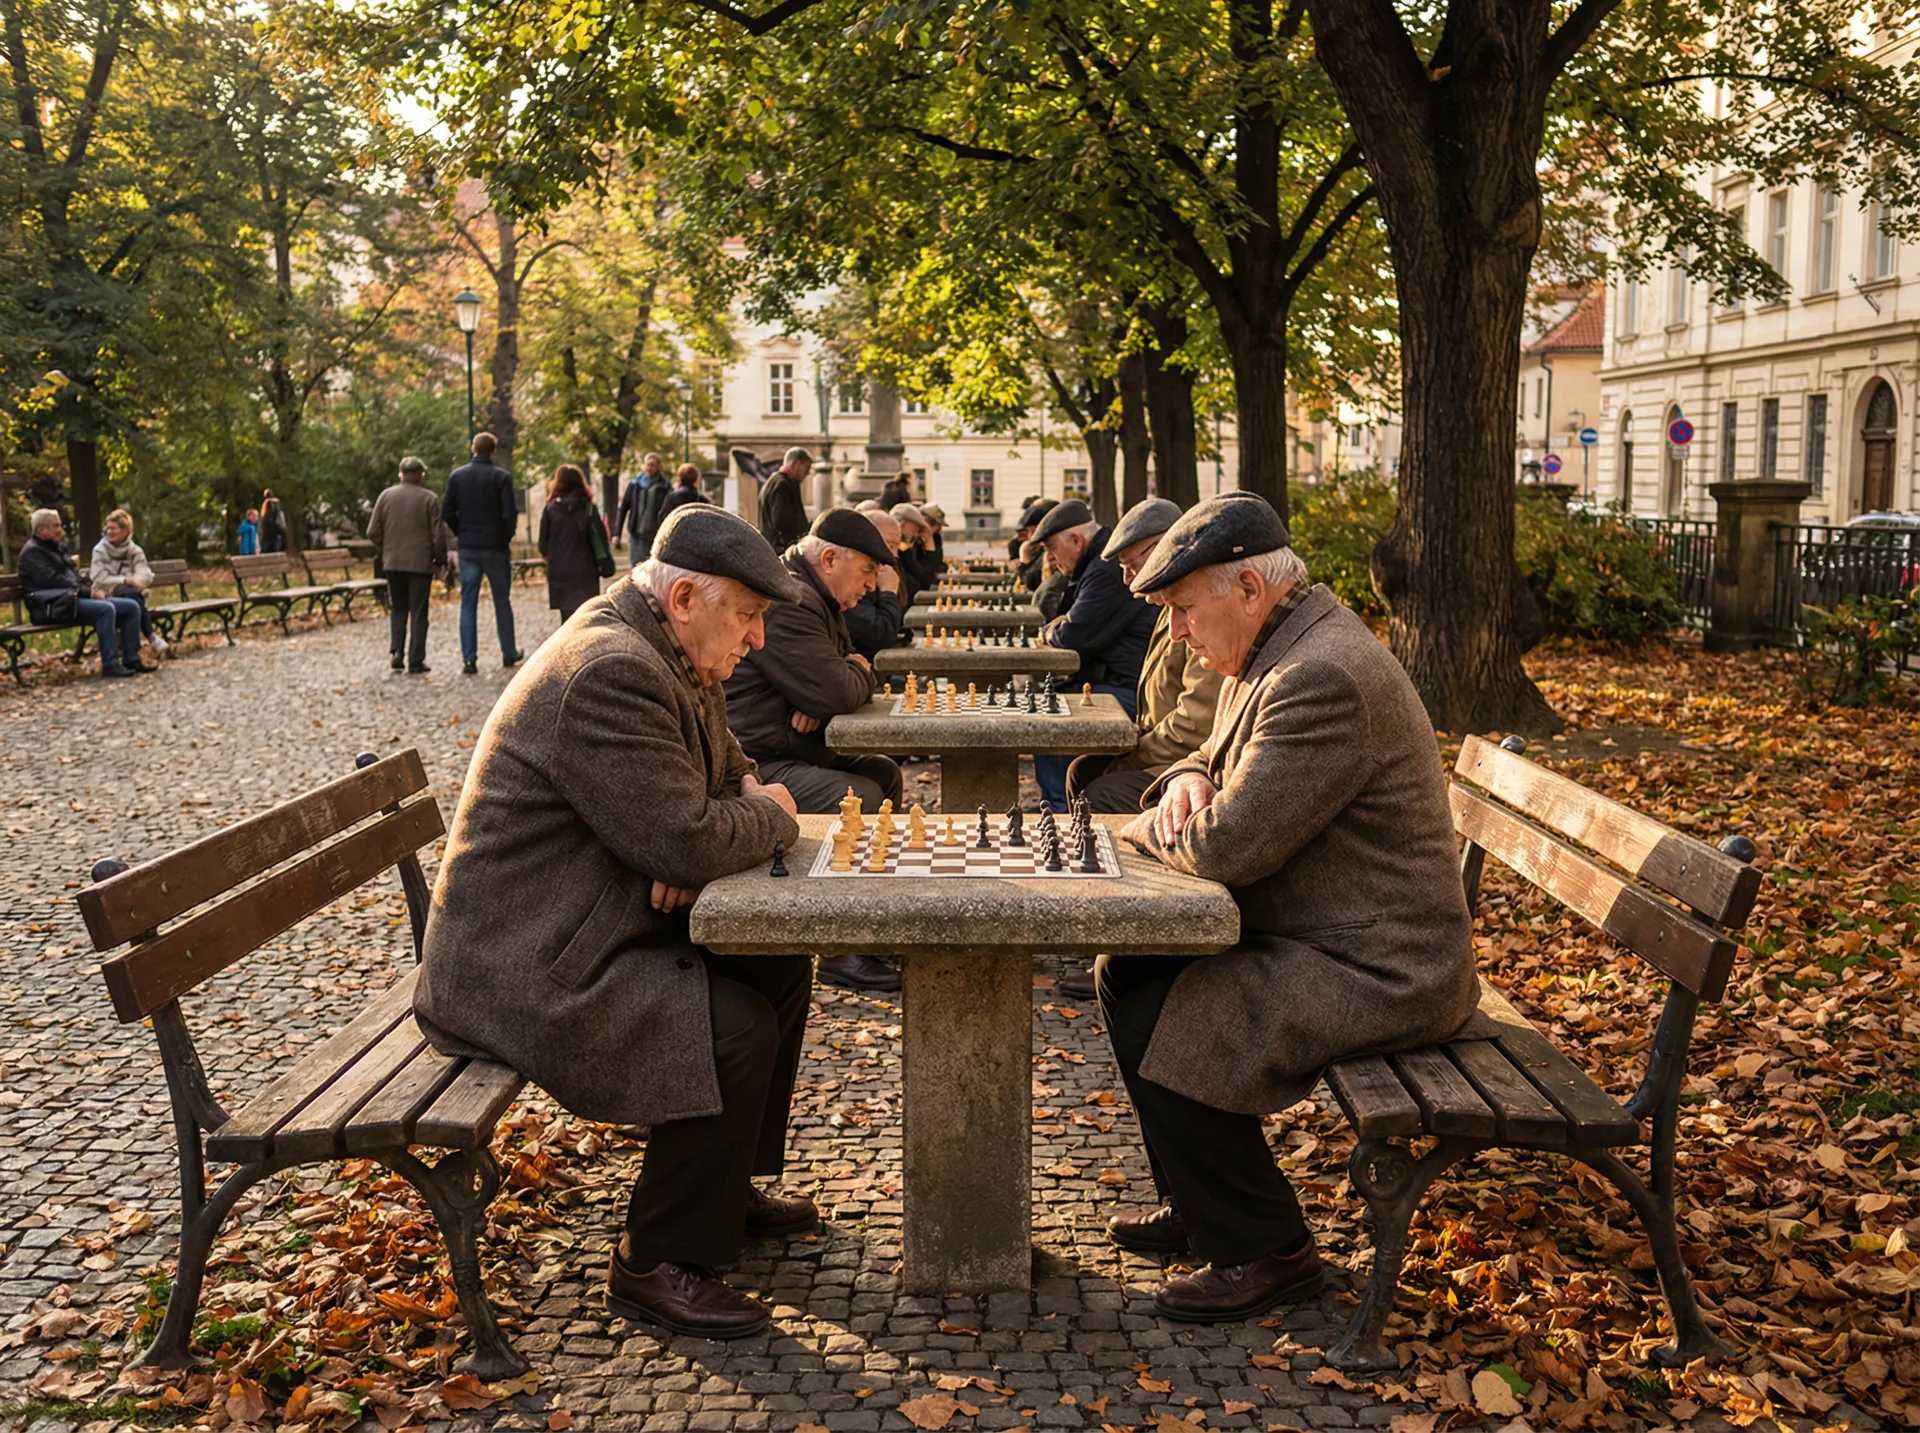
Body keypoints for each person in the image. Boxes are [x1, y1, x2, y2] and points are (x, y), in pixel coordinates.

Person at [415, 504, 814, 1339]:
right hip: (522, 962)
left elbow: (723, 777)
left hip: (575, 920)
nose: (759, 641)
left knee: (775, 961)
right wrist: (762, 817)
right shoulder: (611, 668)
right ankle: (653, 1259)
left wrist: (700, 834)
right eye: (747, 616)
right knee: (731, 1024)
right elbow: (690, 831)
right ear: (685, 601)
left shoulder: (669, 651)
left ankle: (724, 1182)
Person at [1097, 493, 1481, 1323]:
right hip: (1330, 933)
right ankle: (1203, 1207)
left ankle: (1267, 1246)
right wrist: (1191, 780)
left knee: (1187, 1009)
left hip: (1387, 966)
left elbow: (1227, 850)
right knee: (1127, 969)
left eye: (1185, 610)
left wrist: (1146, 823)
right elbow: (1205, 757)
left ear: (1246, 588)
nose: (1182, 634)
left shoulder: (1319, 676)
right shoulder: (1274, 647)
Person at [722, 509, 903, 994]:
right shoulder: (793, 598)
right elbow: (837, 689)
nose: (871, 586)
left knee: (884, 775)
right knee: (860, 794)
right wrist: (846, 677)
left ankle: (869, 920)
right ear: (829, 558)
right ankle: (842, 948)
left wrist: (841, 677)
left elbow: (837, 681)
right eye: (868, 571)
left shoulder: (813, 594)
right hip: (756, 762)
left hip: (787, 742)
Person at [1029, 499, 1158, 811]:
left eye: (1050, 548)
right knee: (1049, 712)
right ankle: (1057, 810)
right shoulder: (1095, 565)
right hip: (1117, 681)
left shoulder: (1104, 569)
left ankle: (1057, 813)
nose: (1048, 558)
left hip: (1126, 689)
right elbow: (1065, 618)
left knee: (1051, 722)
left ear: (1076, 540)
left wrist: (1050, 631)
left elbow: (1071, 635)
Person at [18, 508, 155, 678]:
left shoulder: (56, 548)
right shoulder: (32, 552)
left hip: (70, 601)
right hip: (50, 606)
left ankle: (132, 659)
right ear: (41, 530)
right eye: (55, 526)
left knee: (131, 607)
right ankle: (110, 664)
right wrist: (88, 593)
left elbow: (73, 577)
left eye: (59, 525)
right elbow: (53, 581)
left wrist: (92, 590)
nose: (60, 529)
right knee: (105, 609)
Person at [442, 432, 522, 676]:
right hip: (495, 547)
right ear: (493, 451)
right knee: (501, 600)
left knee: (468, 602)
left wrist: (462, 532)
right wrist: (504, 536)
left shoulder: (457, 477)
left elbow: (447, 512)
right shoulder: (501, 477)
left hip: (468, 546)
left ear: (473, 449)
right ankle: (508, 652)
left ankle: (469, 658)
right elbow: (510, 514)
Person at [367, 457, 447, 674]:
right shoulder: (429, 499)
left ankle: (396, 653)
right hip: (420, 564)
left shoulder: (386, 496)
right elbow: (438, 536)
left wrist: (386, 549)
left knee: (398, 608)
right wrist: (440, 561)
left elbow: (373, 531)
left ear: (401, 475)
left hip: (393, 563)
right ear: (421, 475)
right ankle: (416, 659)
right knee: (419, 612)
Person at [90, 508, 168, 656]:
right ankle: (150, 636)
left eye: (114, 528)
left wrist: (134, 582)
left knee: (130, 594)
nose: (109, 532)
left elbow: (144, 573)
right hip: (105, 593)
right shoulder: (100, 550)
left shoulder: (134, 551)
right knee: (131, 595)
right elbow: (99, 578)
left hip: (130, 593)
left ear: (126, 531)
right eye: (108, 528)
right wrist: (125, 580)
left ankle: (130, 650)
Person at [539, 463, 610, 623]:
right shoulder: (589, 508)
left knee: (567, 619)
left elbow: (543, 544)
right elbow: (600, 539)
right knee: (587, 616)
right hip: (585, 569)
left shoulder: (550, 508)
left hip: (560, 569)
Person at [843, 507, 906, 661]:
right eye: (890, 545)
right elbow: (879, 634)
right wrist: (888, 593)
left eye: (897, 546)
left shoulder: (884, 570)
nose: (895, 555)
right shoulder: (850, 576)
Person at [757, 448, 811, 554]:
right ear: (797, 464)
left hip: (773, 547)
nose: (808, 472)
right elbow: (781, 520)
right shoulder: (782, 485)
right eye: (807, 467)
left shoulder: (775, 481)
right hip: (781, 550)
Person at [615, 452, 669, 553]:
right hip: (636, 533)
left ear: (659, 467)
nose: (649, 468)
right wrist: (617, 533)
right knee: (636, 565)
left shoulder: (665, 487)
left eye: (653, 465)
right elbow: (623, 509)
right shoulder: (635, 484)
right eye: (648, 465)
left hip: (655, 535)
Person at [889, 502, 939, 606]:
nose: (918, 534)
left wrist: (929, 542)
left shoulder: (906, 550)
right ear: (902, 525)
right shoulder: (899, 551)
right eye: (916, 528)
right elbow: (924, 581)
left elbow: (928, 577)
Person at [919, 503, 949, 574]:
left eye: (939, 525)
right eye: (932, 523)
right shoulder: (914, 540)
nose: (936, 529)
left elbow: (937, 563)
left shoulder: (936, 538)